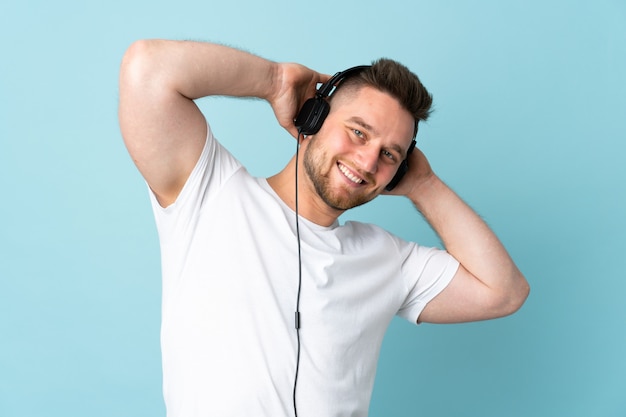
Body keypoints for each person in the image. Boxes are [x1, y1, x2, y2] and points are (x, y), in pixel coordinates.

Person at [118, 39, 529, 417]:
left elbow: (503, 292)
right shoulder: (210, 193)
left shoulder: (387, 259)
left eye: (389, 154)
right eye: (357, 132)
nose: (368, 163)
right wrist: (274, 80)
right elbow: (147, 68)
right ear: (312, 118)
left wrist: (424, 185)